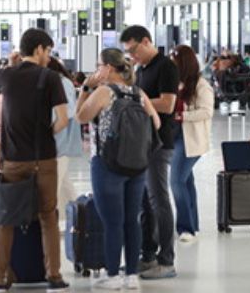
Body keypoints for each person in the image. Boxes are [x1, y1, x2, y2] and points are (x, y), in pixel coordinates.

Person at [0, 28, 70, 292]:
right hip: (45, 160)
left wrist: (9, 65)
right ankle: (54, 277)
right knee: (48, 217)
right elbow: (62, 119)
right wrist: (44, 133)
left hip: (13, 161)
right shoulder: (50, 78)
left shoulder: (5, 75)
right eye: (48, 51)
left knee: (7, 219)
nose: (49, 57)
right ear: (39, 49)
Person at [76, 48, 160, 290]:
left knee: (112, 221)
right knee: (131, 220)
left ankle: (113, 276)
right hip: (137, 165)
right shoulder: (138, 93)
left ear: (109, 68)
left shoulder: (104, 91)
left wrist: (85, 88)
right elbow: (155, 122)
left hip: (107, 163)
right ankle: (131, 275)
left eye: (99, 65)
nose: (96, 70)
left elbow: (81, 116)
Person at [120, 25, 179, 279]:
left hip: (159, 143)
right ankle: (148, 255)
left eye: (134, 50)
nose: (132, 57)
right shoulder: (142, 69)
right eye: (128, 54)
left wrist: (135, 100)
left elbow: (167, 104)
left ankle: (167, 261)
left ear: (146, 42)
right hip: (143, 143)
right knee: (145, 203)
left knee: (159, 200)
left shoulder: (166, 66)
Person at [169, 45, 214, 242]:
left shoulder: (201, 85)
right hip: (174, 137)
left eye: (175, 60)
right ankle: (193, 224)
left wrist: (182, 115)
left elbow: (207, 111)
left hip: (191, 140)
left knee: (176, 181)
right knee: (186, 181)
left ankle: (185, 227)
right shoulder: (174, 83)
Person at [47, 58, 82, 226]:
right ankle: (80, 218)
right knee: (63, 183)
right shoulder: (61, 82)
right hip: (58, 138)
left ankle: (54, 222)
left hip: (59, 139)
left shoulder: (62, 83)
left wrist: (47, 132)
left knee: (54, 184)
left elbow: (66, 113)